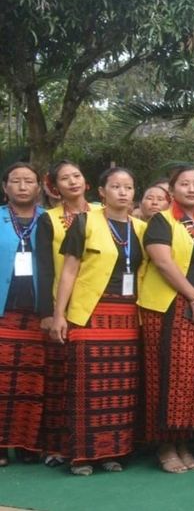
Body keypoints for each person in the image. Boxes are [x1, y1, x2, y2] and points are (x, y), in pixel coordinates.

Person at [48, 167, 146, 476]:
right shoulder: (85, 221)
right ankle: (82, 455)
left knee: (120, 389)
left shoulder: (141, 228)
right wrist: (59, 314)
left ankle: (112, 452)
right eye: (115, 186)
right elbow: (69, 270)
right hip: (90, 313)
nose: (122, 192)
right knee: (86, 387)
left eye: (128, 187)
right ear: (101, 192)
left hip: (128, 316)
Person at [138, 165, 194, 474]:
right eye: (184, 184)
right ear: (171, 191)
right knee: (167, 376)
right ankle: (164, 446)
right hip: (169, 307)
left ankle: (184, 442)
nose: (191, 189)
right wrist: (193, 295)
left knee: (193, 379)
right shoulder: (162, 220)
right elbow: (163, 261)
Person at [36, 160, 94, 467]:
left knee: (90, 379)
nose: (72, 182)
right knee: (60, 377)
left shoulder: (101, 212)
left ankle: (92, 444)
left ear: (86, 182)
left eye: (77, 175)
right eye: (64, 179)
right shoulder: (49, 219)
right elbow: (44, 266)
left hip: (97, 304)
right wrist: (49, 312)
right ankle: (56, 446)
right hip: (63, 304)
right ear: (54, 187)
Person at [0, 163, 44, 467]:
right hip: (5, 311)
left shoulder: (50, 220)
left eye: (29, 181)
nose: (23, 186)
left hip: (38, 313)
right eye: (16, 181)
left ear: (39, 186)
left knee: (34, 381)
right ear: (5, 187)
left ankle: (29, 444)